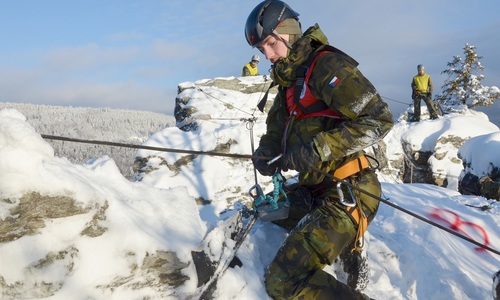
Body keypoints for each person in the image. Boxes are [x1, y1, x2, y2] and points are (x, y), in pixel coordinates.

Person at [245, 1, 394, 299]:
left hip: (350, 191)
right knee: (261, 215)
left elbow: (379, 119)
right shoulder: (288, 83)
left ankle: (347, 244)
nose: (269, 55)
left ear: (288, 32)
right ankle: (345, 251)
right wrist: (267, 153)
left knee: (283, 282)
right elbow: (275, 132)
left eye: (272, 43)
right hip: (315, 189)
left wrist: (319, 148)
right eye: (263, 50)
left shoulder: (325, 67)